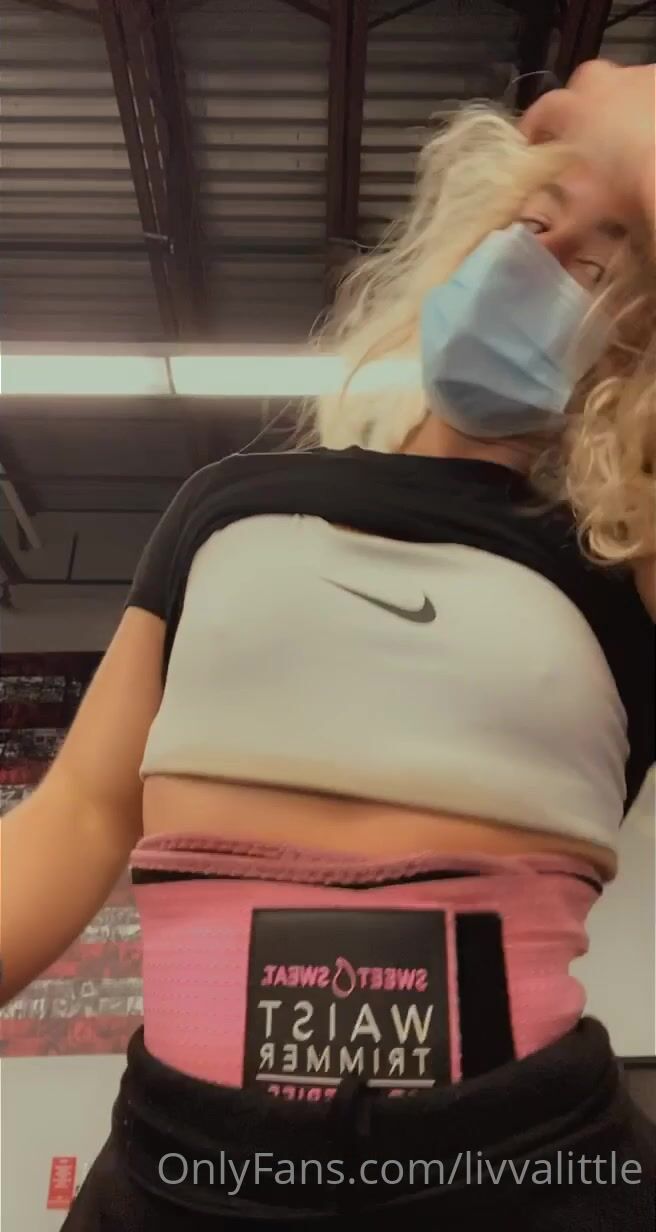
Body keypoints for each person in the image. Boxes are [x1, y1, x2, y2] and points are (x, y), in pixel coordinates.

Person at [1, 60, 655, 1231]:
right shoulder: (229, 504)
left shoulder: (622, 569)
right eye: (533, 221)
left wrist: (633, 131)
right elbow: (81, 812)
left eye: (598, 260)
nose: (546, 255)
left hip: (527, 1170)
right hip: (184, 1167)